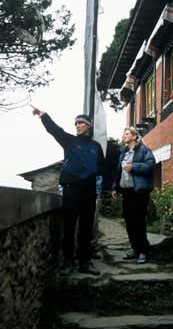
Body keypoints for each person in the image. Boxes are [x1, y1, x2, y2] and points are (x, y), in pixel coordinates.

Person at [32, 107, 105, 276]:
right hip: (71, 189)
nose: (77, 126)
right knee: (69, 227)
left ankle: (85, 263)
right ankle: (67, 262)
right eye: (76, 123)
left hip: (89, 190)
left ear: (88, 126)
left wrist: (98, 179)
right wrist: (44, 117)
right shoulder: (69, 141)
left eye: (80, 123)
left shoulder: (96, 146)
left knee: (86, 228)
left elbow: (102, 167)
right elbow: (54, 130)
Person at [112, 127, 156, 264]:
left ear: (134, 136)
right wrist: (115, 188)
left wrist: (134, 166)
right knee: (129, 222)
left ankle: (143, 251)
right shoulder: (123, 153)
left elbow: (150, 166)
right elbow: (118, 172)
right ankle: (135, 249)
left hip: (139, 191)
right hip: (126, 192)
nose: (124, 136)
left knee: (138, 222)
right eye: (123, 134)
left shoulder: (144, 150)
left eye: (126, 134)